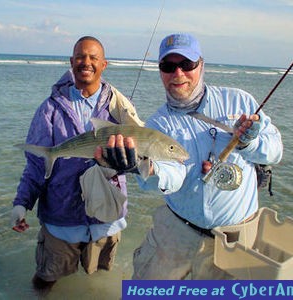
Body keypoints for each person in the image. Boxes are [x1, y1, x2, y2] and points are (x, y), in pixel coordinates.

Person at [95, 33, 283, 279]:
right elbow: (172, 175)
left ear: (201, 65)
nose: (178, 74)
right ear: (160, 71)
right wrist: (143, 167)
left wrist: (250, 142)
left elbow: (275, 151)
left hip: (234, 240)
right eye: (168, 66)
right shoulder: (158, 124)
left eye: (187, 64)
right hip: (176, 232)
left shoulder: (239, 100)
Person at [11, 36, 143, 294]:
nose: (86, 62)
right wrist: (21, 203)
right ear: (71, 62)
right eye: (80, 57)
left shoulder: (120, 109)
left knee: (99, 284)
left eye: (94, 57)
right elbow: (36, 165)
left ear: (104, 64)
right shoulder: (50, 108)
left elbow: (139, 161)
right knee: (44, 281)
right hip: (61, 221)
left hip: (107, 218)